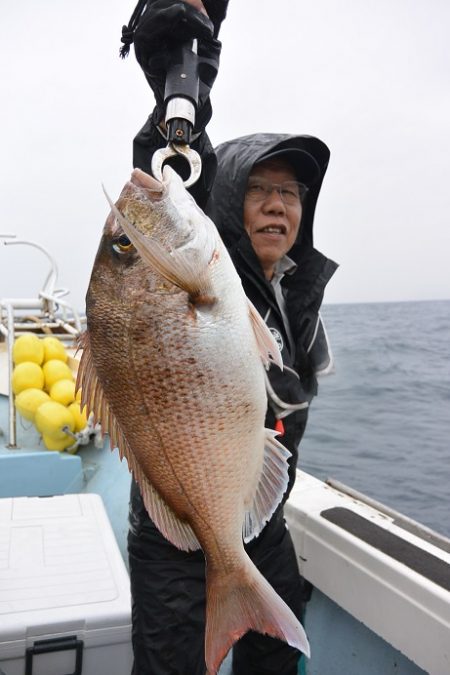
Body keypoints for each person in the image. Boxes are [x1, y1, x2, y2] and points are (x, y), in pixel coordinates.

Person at [120, 2, 337, 674]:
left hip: (259, 519)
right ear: (228, 204)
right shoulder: (213, 266)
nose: (278, 204)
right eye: (261, 189)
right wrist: (184, 65)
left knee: (276, 661)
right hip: (172, 526)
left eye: (292, 192)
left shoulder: (299, 293)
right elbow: (174, 170)